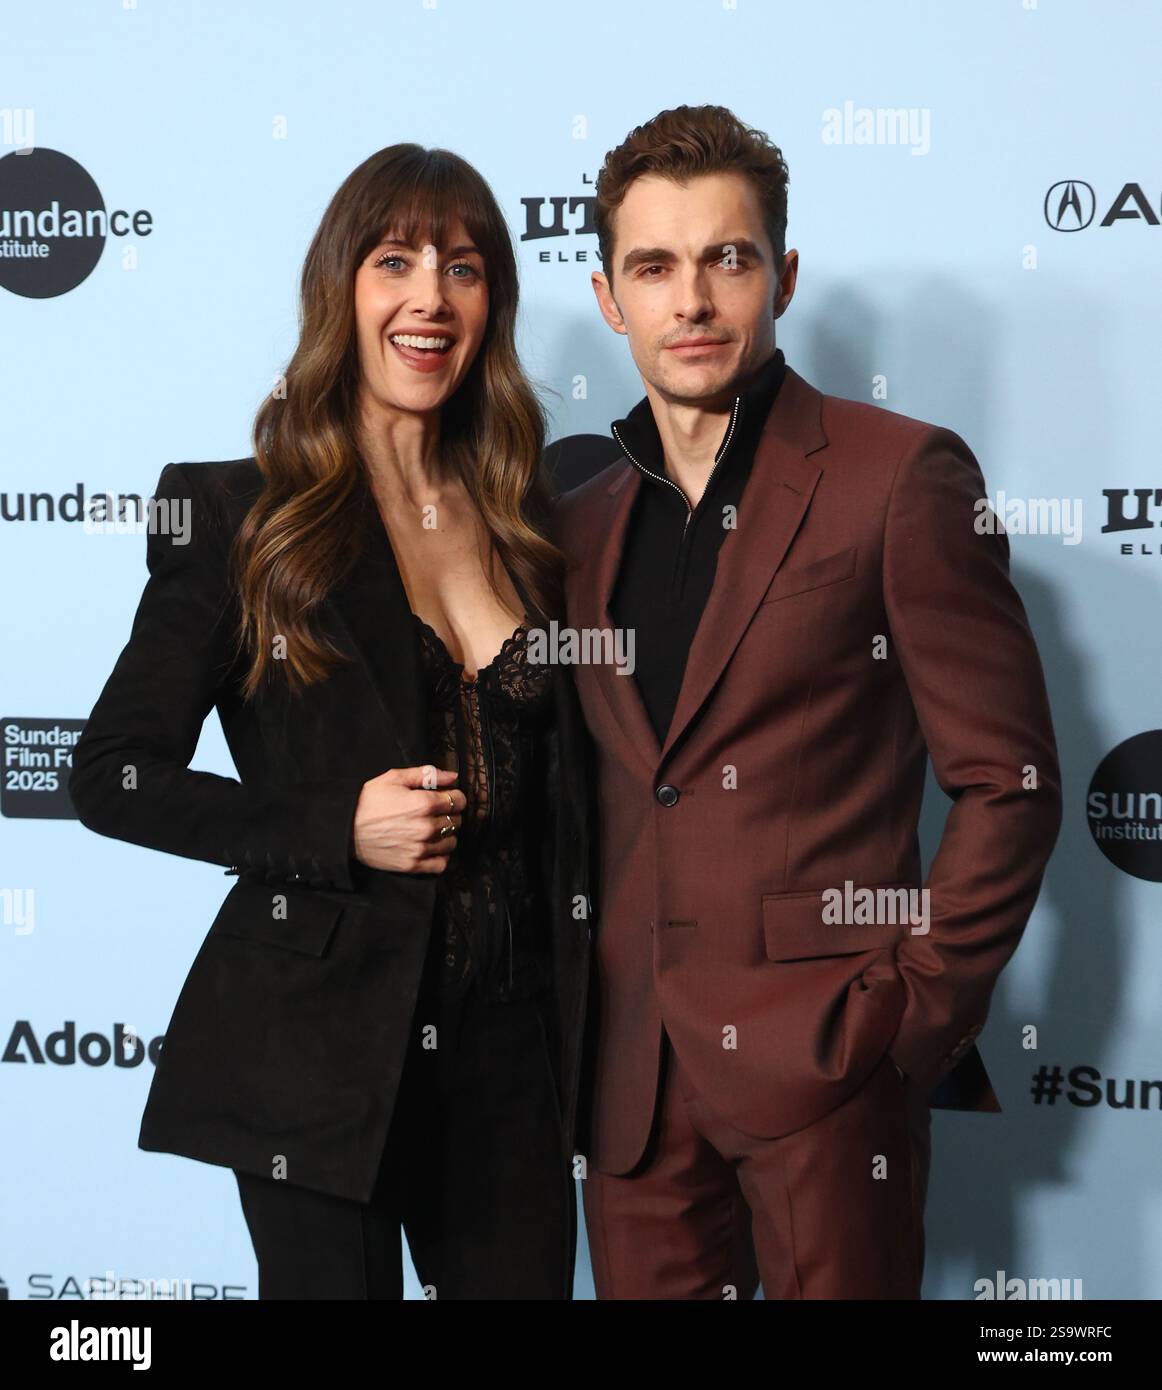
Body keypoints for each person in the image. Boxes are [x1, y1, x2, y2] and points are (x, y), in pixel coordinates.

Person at [547, 105, 1062, 1299]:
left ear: (781, 273)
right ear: (609, 296)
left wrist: (906, 1024)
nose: (692, 301)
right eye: (654, 267)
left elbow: (1009, 781)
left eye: (726, 260)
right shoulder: (575, 520)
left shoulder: (899, 473)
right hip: (628, 1087)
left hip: (828, 1064)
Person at [68, 143, 593, 1300]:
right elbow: (111, 774)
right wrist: (332, 827)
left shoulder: (535, 525)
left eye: (462, 266)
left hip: (511, 1054)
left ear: (491, 299)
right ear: (341, 289)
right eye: (393, 259)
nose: (428, 296)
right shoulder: (239, 514)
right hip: (316, 1046)